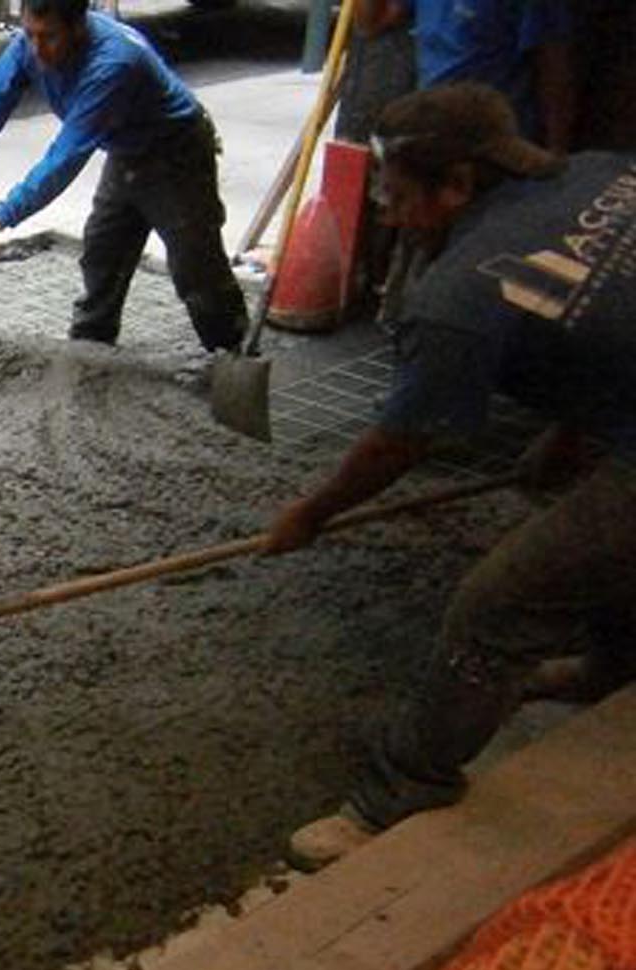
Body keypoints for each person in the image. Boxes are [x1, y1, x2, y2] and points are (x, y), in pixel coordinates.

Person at [268, 84, 634, 866]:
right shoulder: (600, 172)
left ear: (459, 184)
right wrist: (574, 431)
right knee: (598, 535)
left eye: (398, 198)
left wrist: (311, 512)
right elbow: (605, 312)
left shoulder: (461, 295)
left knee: (496, 606)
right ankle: (612, 666)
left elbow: (402, 441)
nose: (389, 215)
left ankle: (399, 789)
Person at [0, 0, 247, 355]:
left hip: (176, 152)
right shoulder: (30, 44)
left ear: (78, 26)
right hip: (126, 148)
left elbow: (64, 157)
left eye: (49, 37)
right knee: (103, 253)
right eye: (30, 34)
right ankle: (90, 352)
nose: (37, 48)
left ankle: (233, 353)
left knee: (195, 269)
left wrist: (0, 216)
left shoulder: (115, 63)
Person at [355, 0, 574, 152]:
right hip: (433, 134)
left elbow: (553, 62)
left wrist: (557, 147)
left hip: (495, 141)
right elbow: (371, 23)